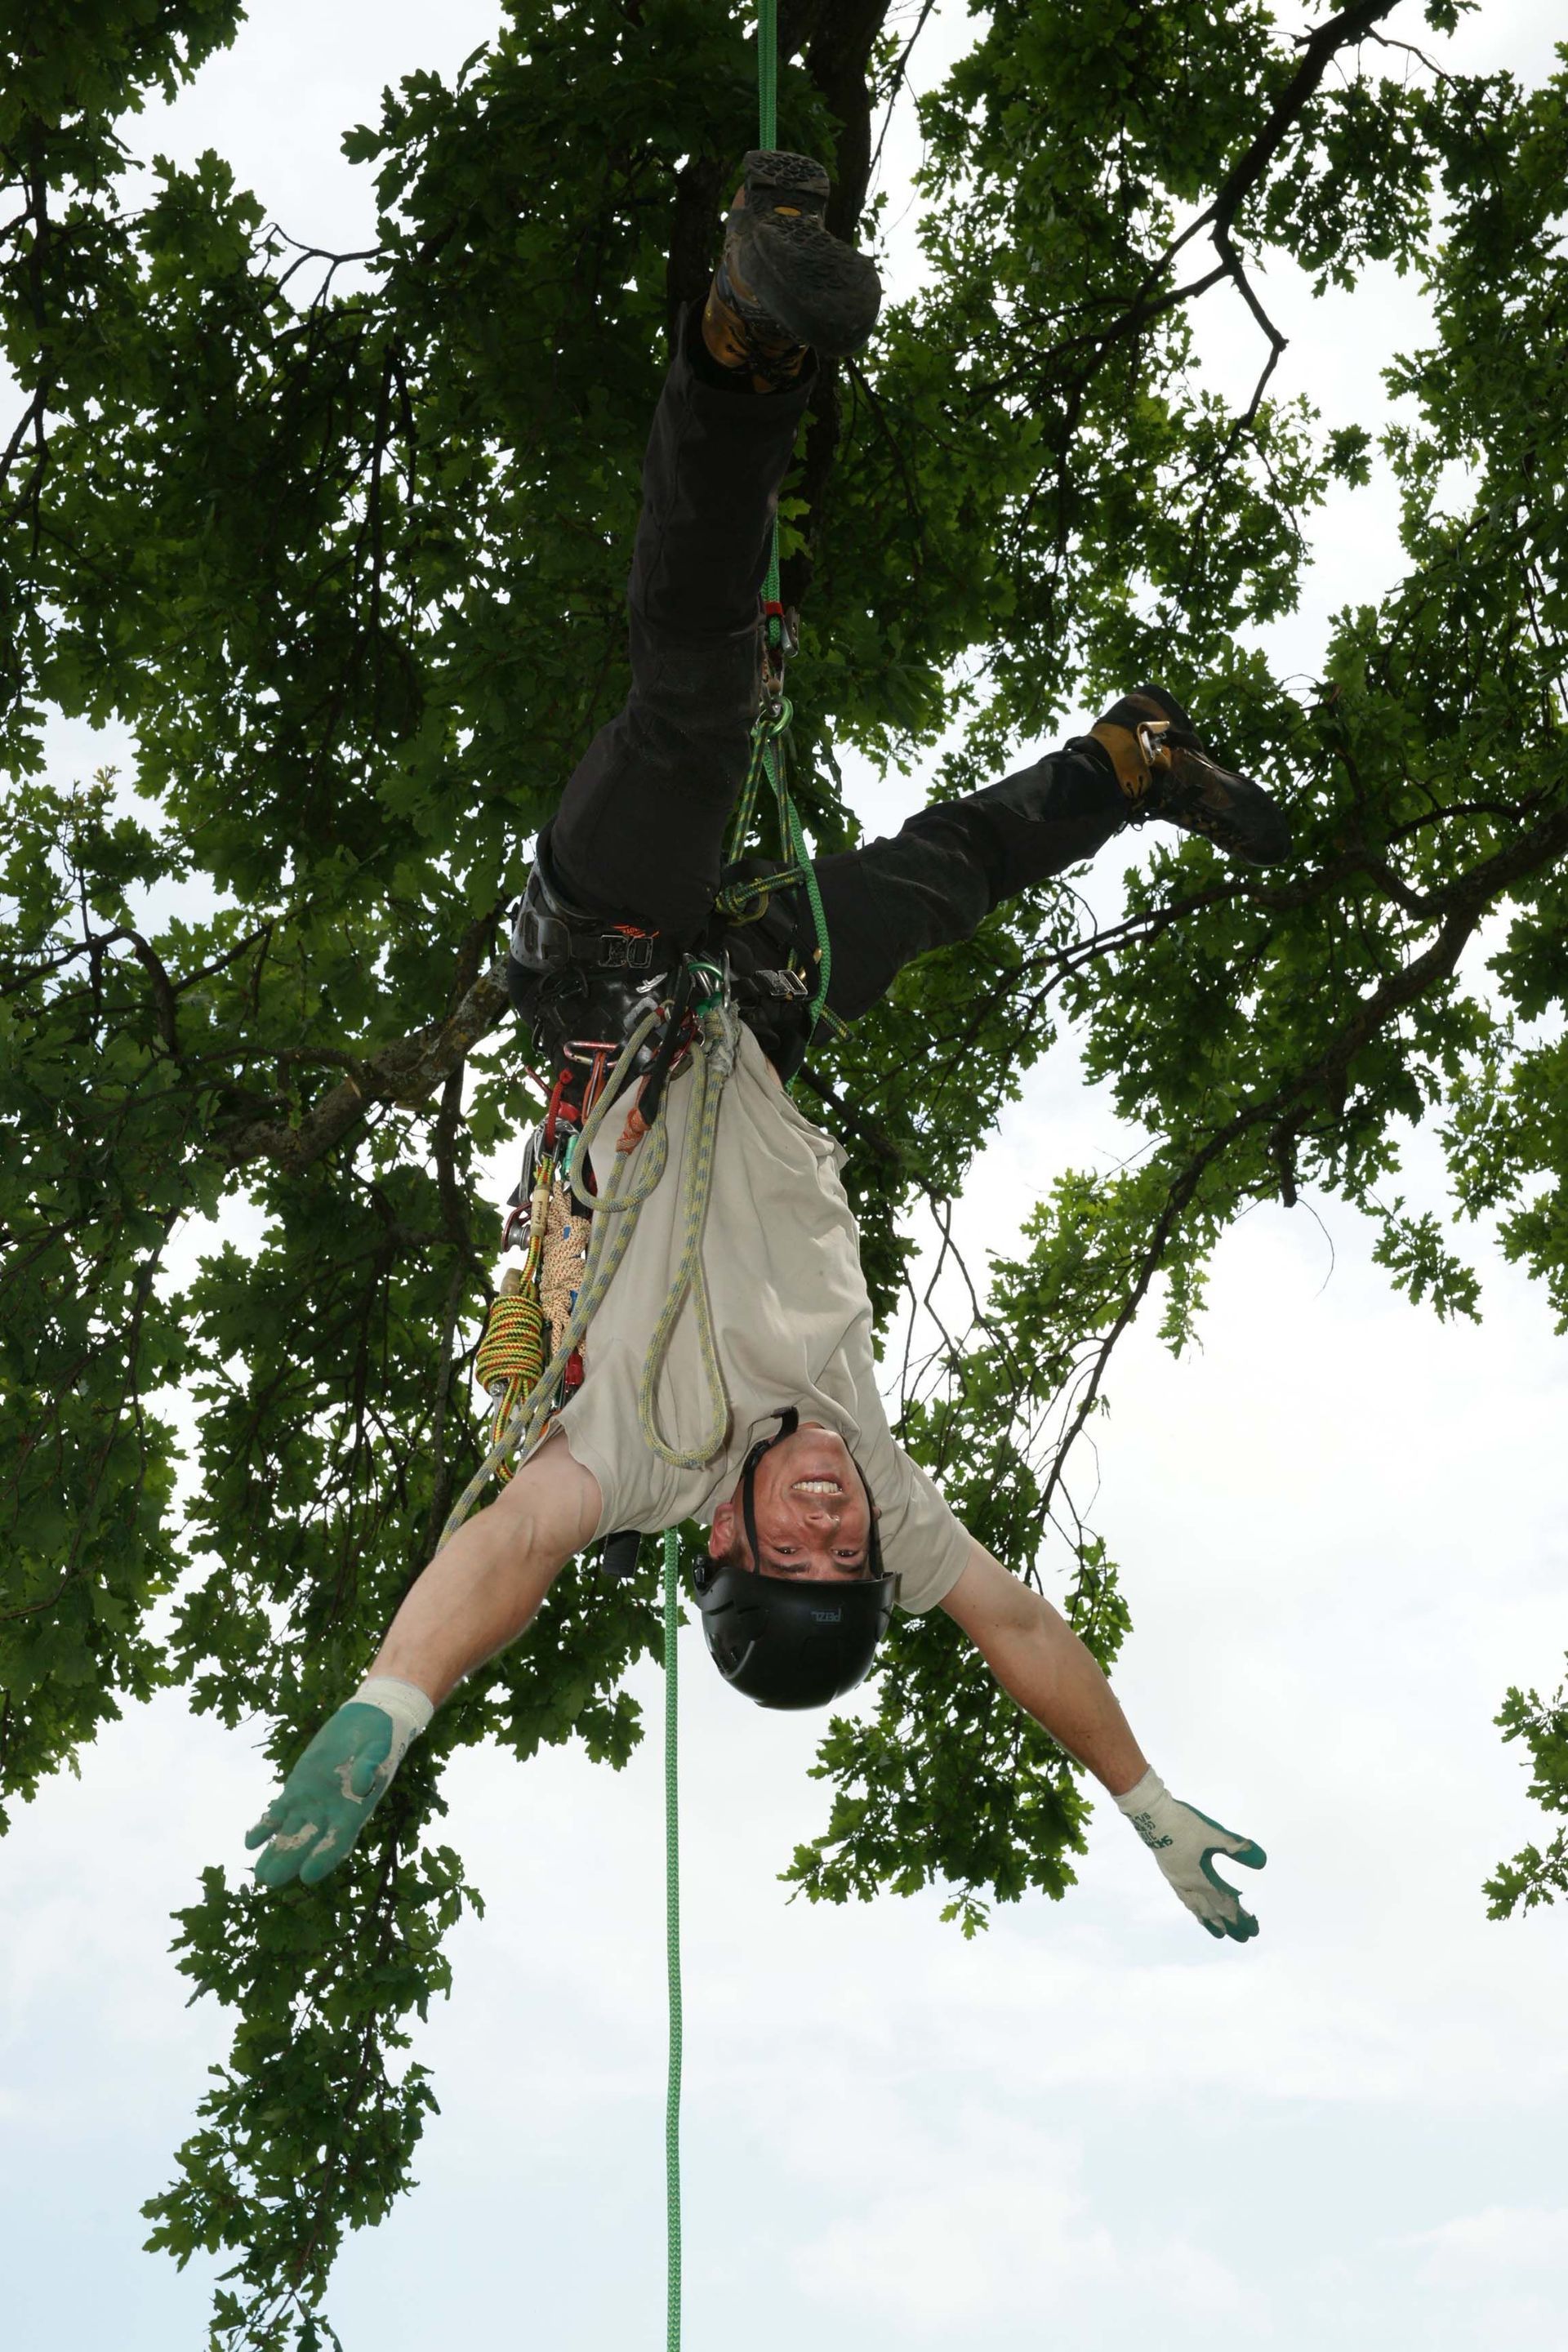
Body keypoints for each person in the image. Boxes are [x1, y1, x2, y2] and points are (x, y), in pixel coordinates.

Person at [248, 153, 1276, 1943]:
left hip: (606, 983)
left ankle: (742, 349)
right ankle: (1136, 759)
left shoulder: (639, 1462)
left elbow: (506, 1547)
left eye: (793, 1549)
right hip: (749, 1019)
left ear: (718, 1545)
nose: (827, 1521)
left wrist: (387, 1710)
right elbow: (1015, 1626)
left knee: (698, 707)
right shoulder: (876, 1473)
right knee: (943, 882)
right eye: (845, 1552)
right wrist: (1145, 1798)